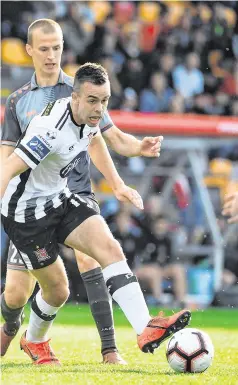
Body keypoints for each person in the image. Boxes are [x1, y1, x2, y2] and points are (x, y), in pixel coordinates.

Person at [1, 62, 191, 366]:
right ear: (75, 97)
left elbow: (96, 139)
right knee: (57, 291)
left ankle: (145, 329)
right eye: (92, 101)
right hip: (26, 216)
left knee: (109, 248)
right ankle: (33, 340)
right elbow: (9, 167)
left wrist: (117, 183)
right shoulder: (48, 129)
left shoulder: (90, 117)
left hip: (59, 199)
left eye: (105, 101)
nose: (99, 109)